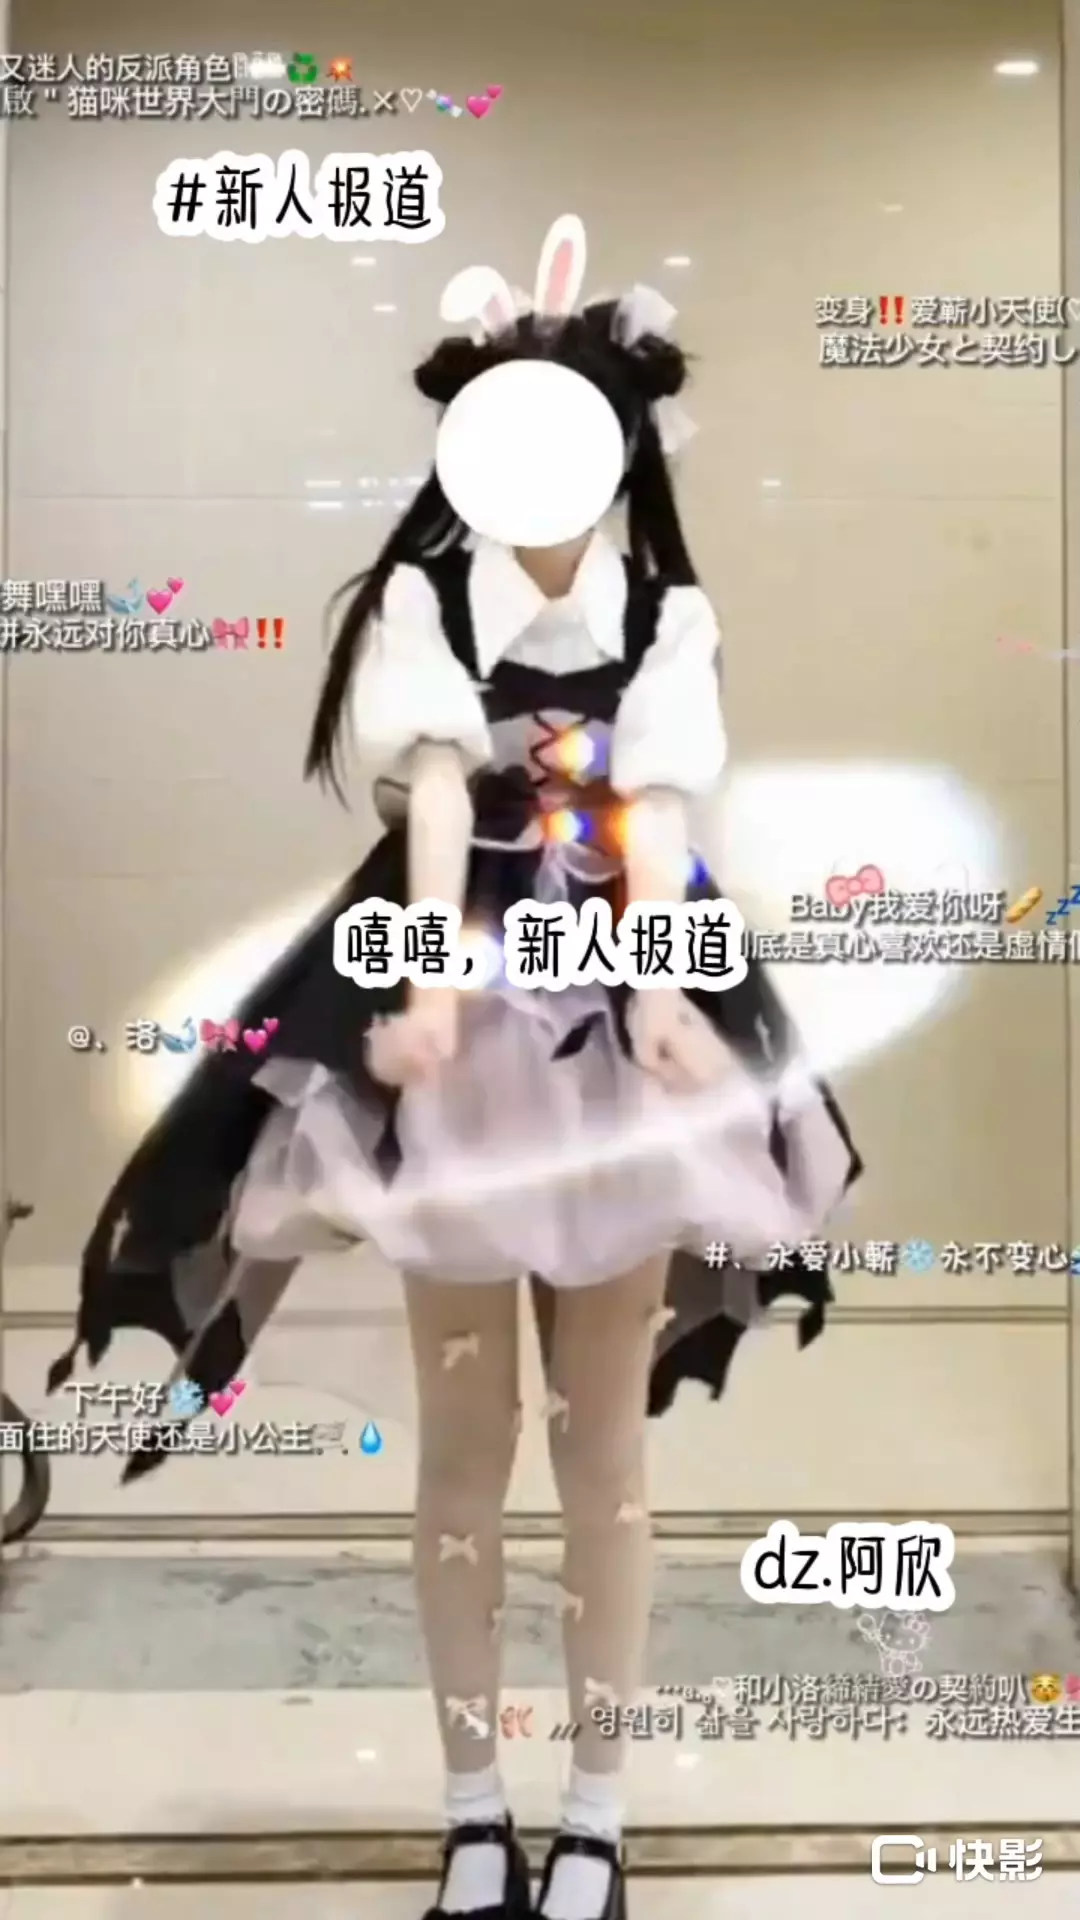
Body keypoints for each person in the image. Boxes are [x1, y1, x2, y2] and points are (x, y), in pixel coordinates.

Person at [49, 216, 861, 1920]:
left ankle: (600, 1818)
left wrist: (661, 988)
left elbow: (657, 815)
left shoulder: (668, 610)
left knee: (605, 1458)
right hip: (467, 1023)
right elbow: (430, 798)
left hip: (616, 1018)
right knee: (462, 1446)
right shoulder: (428, 599)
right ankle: (476, 1809)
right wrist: (422, 993)